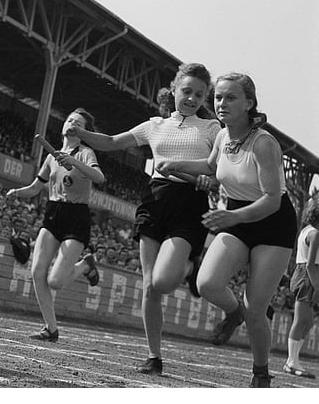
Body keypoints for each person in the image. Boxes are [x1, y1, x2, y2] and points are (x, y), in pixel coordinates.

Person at [69, 63, 220, 374]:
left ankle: (191, 265)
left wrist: (209, 179)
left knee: (164, 281)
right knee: (150, 286)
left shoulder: (212, 129)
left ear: (205, 98)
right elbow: (111, 142)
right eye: (187, 91)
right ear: (175, 90)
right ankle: (154, 356)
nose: (191, 98)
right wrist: (80, 132)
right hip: (154, 201)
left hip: (189, 205)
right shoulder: (154, 125)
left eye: (199, 94)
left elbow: (218, 171)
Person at [155, 72, 297, 387]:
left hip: (272, 225)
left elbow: (273, 200)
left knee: (256, 307)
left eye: (230, 97)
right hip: (236, 216)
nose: (221, 103)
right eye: (218, 97)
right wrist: (175, 163)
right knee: (206, 283)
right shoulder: (222, 135)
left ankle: (261, 373)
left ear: (249, 103)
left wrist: (232, 218)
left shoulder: (264, 144)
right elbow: (210, 166)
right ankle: (234, 314)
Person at [6, 108, 105, 341]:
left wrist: (73, 162)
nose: (71, 123)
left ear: (83, 132)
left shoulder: (86, 153)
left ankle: (85, 266)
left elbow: (99, 178)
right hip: (53, 213)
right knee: (37, 271)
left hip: (76, 215)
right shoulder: (51, 157)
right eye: (69, 119)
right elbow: (35, 187)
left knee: (56, 281)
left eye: (78, 123)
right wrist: (18, 192)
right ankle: (51, 328)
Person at [283, 193, 319, 379]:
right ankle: (291, 361)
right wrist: (318, 286)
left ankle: (293, 359)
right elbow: (311, 264)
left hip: (303, 274)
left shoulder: (307, 230)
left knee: (308, 321)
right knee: (300, 320)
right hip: (307, 276)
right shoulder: (315, 234)